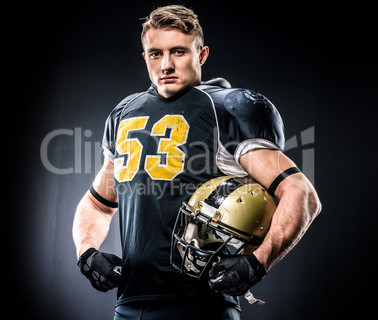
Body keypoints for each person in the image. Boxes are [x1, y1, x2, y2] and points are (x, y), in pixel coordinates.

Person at [72, 5, 322, 320]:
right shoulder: (125, 113)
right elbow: (97, 204)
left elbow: (301, 193)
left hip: (204, 306)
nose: (165, 65)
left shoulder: (226, 109)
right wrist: (86, 253)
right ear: (144, 56)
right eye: (155, 54)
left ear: (201, 55)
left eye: (178, 52)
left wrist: (258, 262)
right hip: (130, 304)